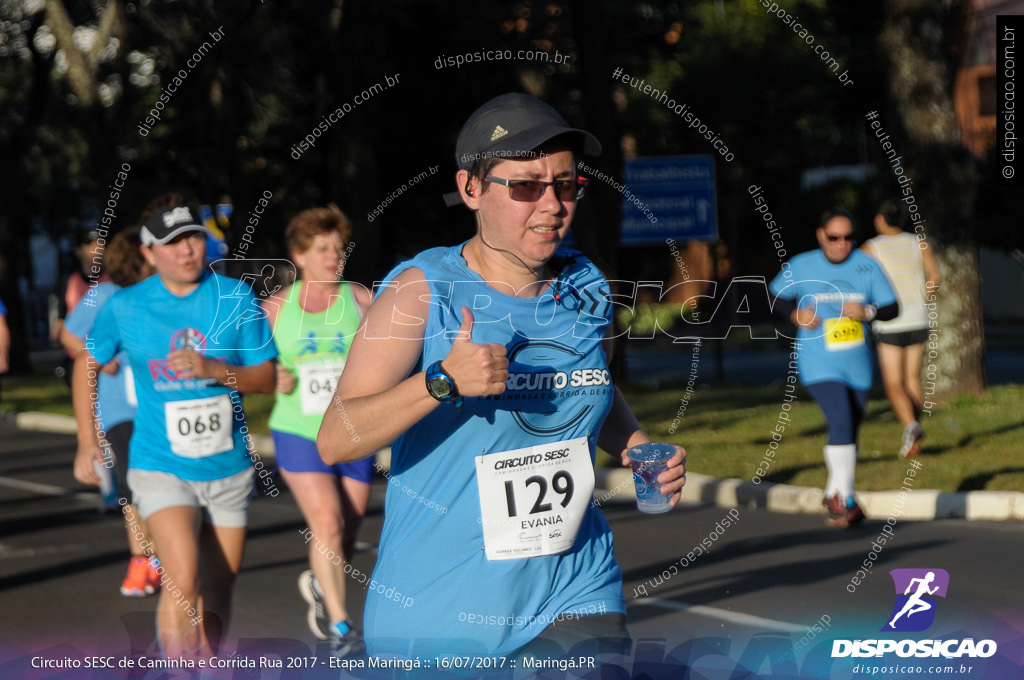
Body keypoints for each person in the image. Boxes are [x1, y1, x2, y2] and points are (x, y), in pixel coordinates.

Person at [317, 92, 687, 659]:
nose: (552, 204)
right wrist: (439, 381)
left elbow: (591, 387)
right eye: (525, 186)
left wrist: (635, 445)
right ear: (471, 189)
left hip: (576, 589)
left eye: (566, 185)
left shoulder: (588, 284)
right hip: (437, 612)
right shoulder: (422, 291)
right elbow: (337, 438)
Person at [72, 205, 277, 660]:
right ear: (148, 252)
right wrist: (88, 441)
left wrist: (215, 370)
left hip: (228, 467)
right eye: (172, 242)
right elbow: (87, 362)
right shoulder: (125, 305)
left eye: (194, 237)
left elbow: (265, 377)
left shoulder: (236, 296)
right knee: (182, 578)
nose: (186, 249)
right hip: (160, 464)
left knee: (219, 588)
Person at [262, 206, 372, 657]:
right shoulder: (274, 307)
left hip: (352, 430)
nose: (334, 257)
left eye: (339, 249)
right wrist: (272, 374)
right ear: (299, 255)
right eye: (323, 249)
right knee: (326, 522)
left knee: (346, 530)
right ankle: (343, 627)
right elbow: (248, 365)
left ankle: (319, 580)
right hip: (298, 429)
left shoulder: (361, 299)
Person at [770, 209, 899, 528]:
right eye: (834, 237)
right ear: (821, 236)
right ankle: (847, 498)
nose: (842, 244)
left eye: (848, 237)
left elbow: (893, 307)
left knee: (851, 426)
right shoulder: (802, 264)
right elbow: (773, 298)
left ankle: (832, 493)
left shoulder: (866, 264)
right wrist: (794, 315)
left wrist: (867, 310)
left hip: (857, 362)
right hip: (818, 360)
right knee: (840, 418)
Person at [67, 227, 161, 595]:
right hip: (119, 406)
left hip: (160, 406)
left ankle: (165, 554)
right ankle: (143, 560)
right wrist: (96, 358)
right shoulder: (103, 296)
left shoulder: (165, 299)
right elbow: (67, 335)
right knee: (132, 485)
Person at [862, 199, 941, 458]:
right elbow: (935, 276)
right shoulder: (919, 243)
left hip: (889, 321)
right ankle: (913, 439)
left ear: (880, 220)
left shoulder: (871, 248)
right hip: (918, 317)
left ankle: (910, 425)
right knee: (912, 380)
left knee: (894, 382)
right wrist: (922, 296)